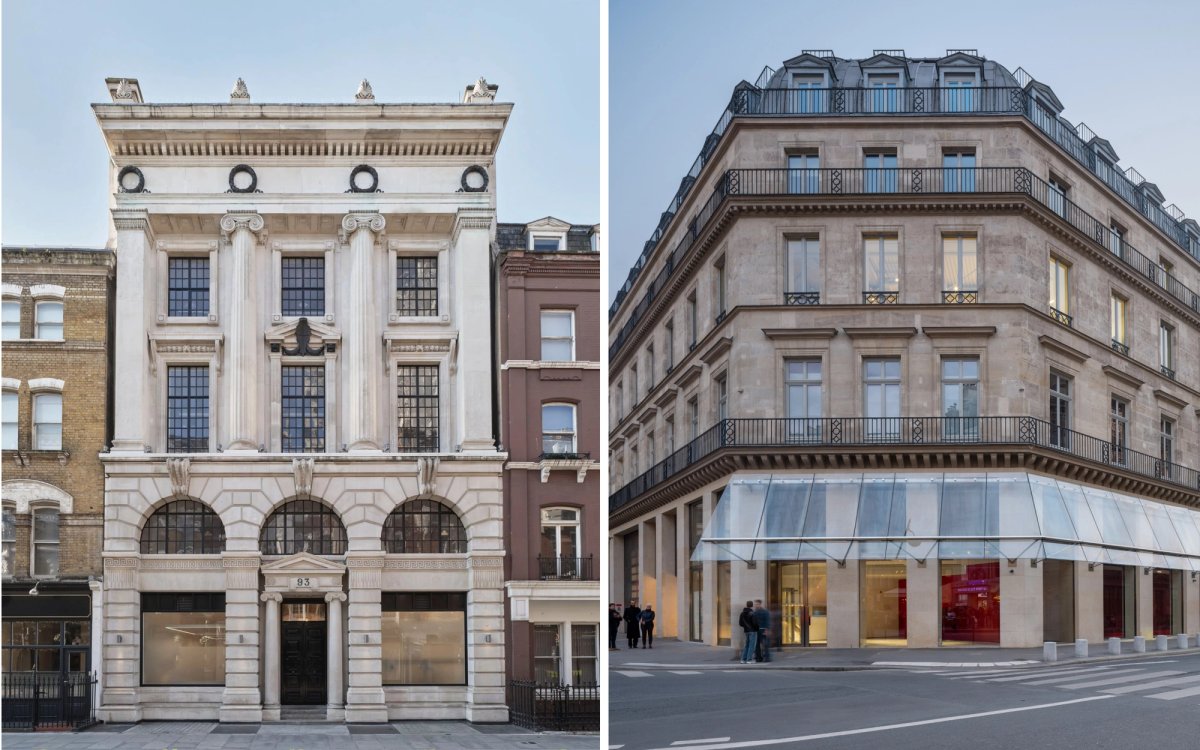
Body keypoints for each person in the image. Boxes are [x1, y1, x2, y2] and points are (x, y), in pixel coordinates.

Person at [738, 600, 758, 664]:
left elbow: (740, 623)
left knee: (746, 645)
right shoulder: (752, 613)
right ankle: (749, 659)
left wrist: (746, 627)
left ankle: (743, 659)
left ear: (746, 605)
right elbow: (755, 623)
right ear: (752, 606)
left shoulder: (742, 613)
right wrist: (757, 629)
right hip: (753, 631)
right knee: (751, 646)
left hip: (746, 631)